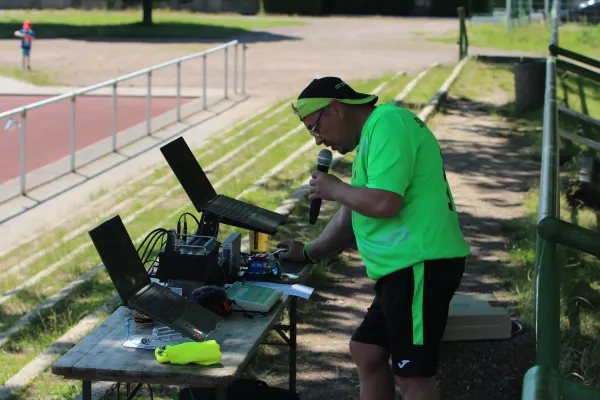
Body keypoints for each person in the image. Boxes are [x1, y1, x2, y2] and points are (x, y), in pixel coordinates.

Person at [277, 77, 471, 400]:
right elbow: (352, 215)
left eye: (315, 128)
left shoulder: (388, 124)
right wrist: (309, 251)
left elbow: (384, 202)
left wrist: (336, 189)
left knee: (413, 377)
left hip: (420, 265)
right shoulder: (372, 136)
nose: (317, 140)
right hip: (403, 270)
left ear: (336, 109)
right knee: (366, 351)